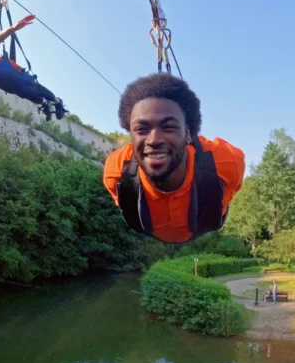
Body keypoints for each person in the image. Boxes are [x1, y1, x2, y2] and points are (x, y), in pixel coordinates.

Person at [103, 73, 245, 244]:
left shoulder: (225, 164)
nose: (154, 140)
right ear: (131, 136)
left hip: (202, 220)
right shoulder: (116, 173)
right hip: (150, 228)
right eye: (142, 129)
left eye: (168, 127)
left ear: (188, 134)